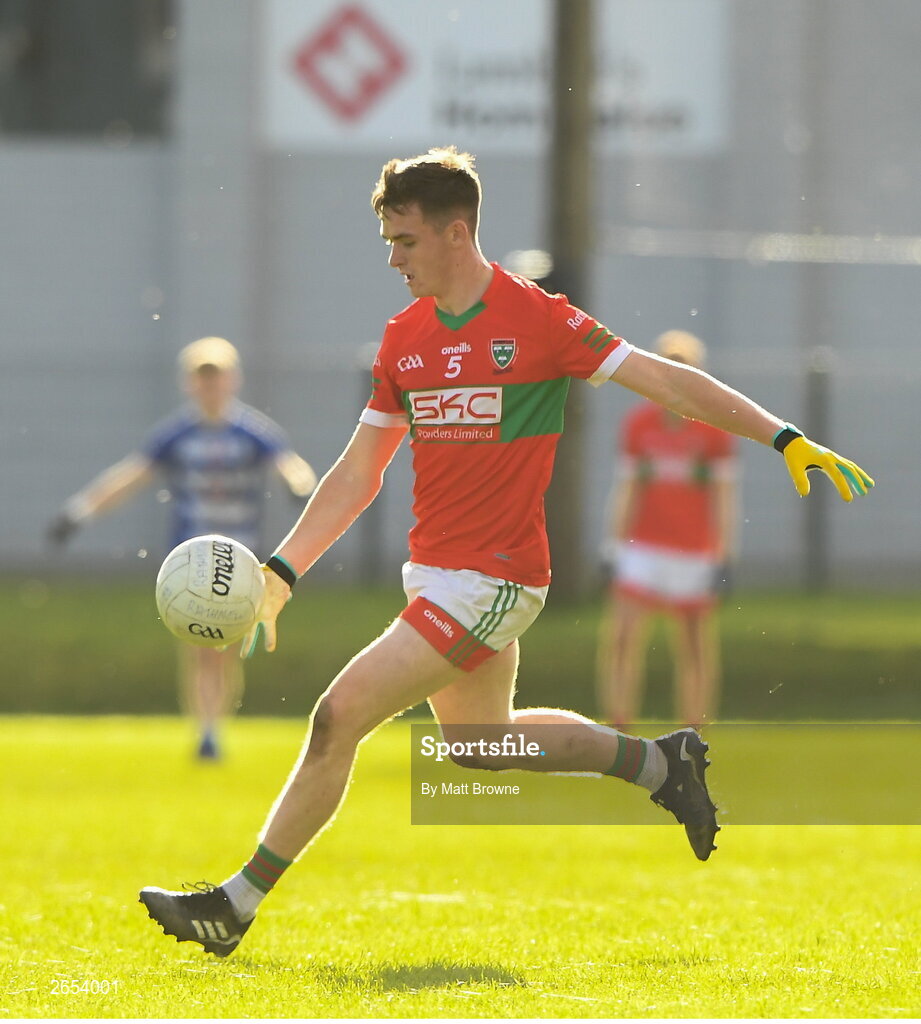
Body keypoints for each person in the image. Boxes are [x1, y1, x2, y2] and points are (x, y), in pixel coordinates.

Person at [139, 147, 872, 957]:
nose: (393, 259)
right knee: (481, 748)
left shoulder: (541, 321)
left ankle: (233, 906)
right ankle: (661, 766)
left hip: (494, 580)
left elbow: (668, 383)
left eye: (405, 241)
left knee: (336, 718)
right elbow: (358, 470)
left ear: (457, 233)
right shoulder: (404, 339)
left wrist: (782, 435)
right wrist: (281, 571)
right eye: (387, 240)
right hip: (438, 576)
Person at [48, 336, 317, 759]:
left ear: (232, 379)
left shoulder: (252, 431)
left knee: (225, 650)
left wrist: (302, 489)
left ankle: (215, 727)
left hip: (241, 558)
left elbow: (289, 464)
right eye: (201, 377)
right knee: (196, 645)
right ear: (190, 383)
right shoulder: (176, 434)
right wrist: (77, 512)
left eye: (217, 376)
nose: (210, 386)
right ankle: (205, 731)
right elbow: (131, 476)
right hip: (189, 560)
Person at [597, 330, 737, 730]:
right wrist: (612, 547)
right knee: (623, 635)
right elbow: (627, 488)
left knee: (694, 644)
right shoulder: (640, 424)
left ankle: (695, 727)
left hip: (694, 549)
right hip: (643, 546)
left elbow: (725, 497)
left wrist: (723, 555)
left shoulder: (715, 430)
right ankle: (619, 723)